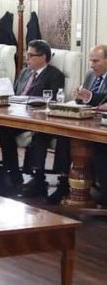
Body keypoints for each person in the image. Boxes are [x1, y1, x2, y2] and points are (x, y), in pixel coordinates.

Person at [0, 40, 65, 195]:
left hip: (36, 118)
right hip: (15, 115)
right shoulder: (24, 72)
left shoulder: (55, 75)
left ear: (43, 57)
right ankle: (5, 170)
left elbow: (53, 100)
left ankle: (22, 175)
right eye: (27, 55)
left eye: (31, 55)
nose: (27, 59)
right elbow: (14, 93)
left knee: (7, 132)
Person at [42, 45, 107, 204]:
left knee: (98, 148)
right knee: (64, 136)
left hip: (101, 127)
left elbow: (102, 98)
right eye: (90, 60)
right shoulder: (90, 75)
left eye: (96, 61)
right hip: (86, 121)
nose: (91, 65)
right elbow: (83, 99)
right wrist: (79, 96)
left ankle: (102, 193)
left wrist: (89, 96)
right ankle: (63, 183)